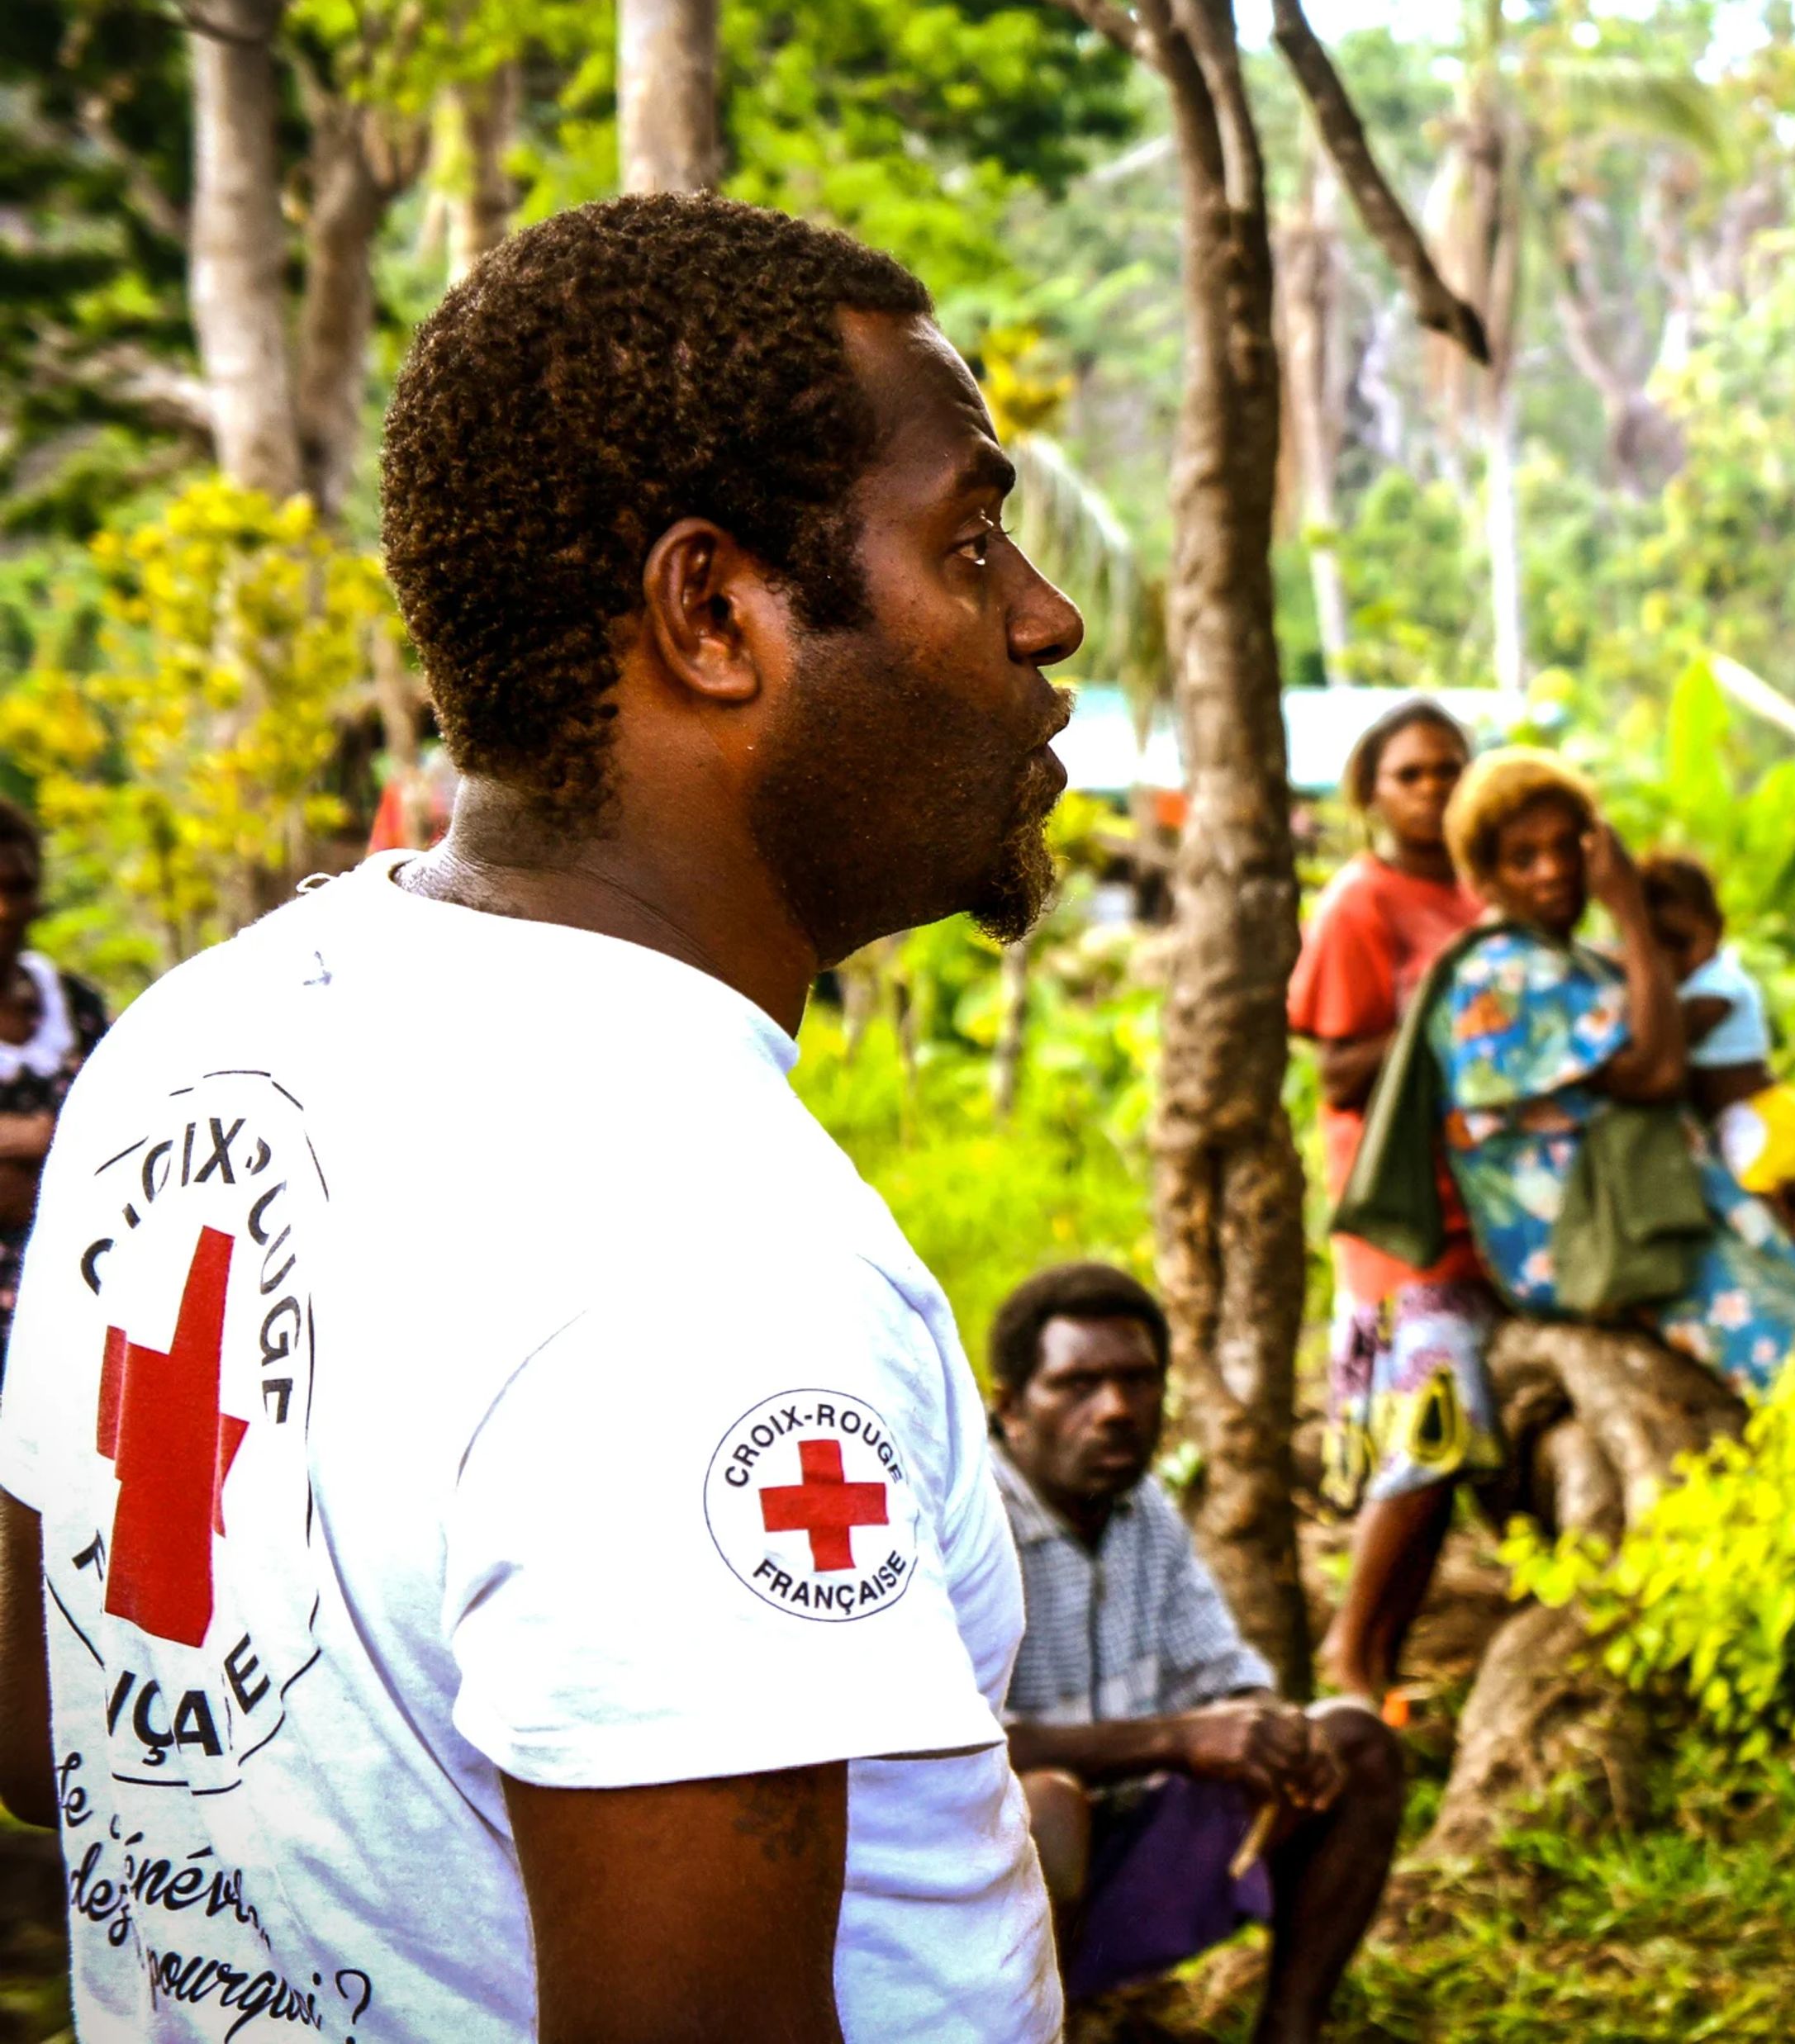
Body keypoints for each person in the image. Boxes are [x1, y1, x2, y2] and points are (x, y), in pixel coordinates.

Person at [0, 195, 1082, 2038]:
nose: (1040, 617)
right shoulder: (699, 1256)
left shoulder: (201, 1039)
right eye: (970, 540)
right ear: (715, 615)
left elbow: (54, 1719)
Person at [989, 1264, 1401, 2042]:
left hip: (1132, 1856)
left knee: (1354, 1744)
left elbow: (1224, 1681)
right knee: (1048, 1808)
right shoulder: (964, 1526)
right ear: (1011, 1409)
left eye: (1137, 1382)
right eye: (1078, 1385)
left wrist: (1269, 1727)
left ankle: (1289, 2032)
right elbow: (951, 1751)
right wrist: (1180, 1738)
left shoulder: (1142, 1508)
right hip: (994, 1894)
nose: (1115, 1410)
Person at [1411, 748, 1795, 1386]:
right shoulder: (1502, 974)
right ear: (1485, 879)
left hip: (1645, 1218)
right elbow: (1657, 1074)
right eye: (1523, 859)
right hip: (1600, 1243)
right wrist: (1627, 905)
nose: (1552, 873)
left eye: (1566, 848)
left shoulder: (1575, 961)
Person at [1287, 700, 1498, 1701]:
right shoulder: (1360, 904)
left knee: (1444, 1454)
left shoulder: (1489, 896)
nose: (1434, 789)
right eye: (1411, 773)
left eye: (1450, 769)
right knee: (1427, 1431)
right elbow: (1339, 1073)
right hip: (1402, 1214)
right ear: (1372, 790)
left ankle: (1384, 1662)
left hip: (1495, 1217)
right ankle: (1347, 1660)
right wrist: (1436, 1011)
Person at [1640, 849, 1795, 1246]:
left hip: (1763, 1122)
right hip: (1737, 1127)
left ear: (1717, 928)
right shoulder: (1689, 984)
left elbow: (1670, 1037)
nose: (1675, 961)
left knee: (1777, 1230)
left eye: (1683, 943)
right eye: (1660, 948)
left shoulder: (1720, 982)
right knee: (1775, 1231)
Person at [0, 801, 106, 1339]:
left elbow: (123, 1134)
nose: (3, 908)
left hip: (72, 1296)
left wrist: (46, 1142)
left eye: (17, 887)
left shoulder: (76, 1006)